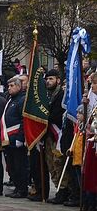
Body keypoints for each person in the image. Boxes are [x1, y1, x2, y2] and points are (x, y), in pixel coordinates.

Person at [44, 68, 70, 204]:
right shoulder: (46, 95)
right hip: (48, 134)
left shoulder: (61, 94)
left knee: (58, 162)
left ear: (58, 80)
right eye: (47, 79)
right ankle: (58, 188)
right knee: (51, 164)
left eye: (51, 79)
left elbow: (57, 114)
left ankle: (64, 190)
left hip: (58, 133)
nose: (48, 81)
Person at [1, 76, 28, 198]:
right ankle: (17, 187)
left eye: (12, 86)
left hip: (16, 137)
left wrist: (20, 138)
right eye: (8, 86)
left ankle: (22, 189)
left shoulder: (21, 100)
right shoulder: (11, 100)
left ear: (19, 86)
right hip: (9, 139)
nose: (9, 88)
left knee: (19, 166)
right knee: (12, 166)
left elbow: (23, 120)